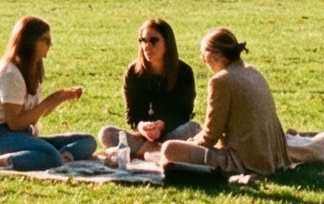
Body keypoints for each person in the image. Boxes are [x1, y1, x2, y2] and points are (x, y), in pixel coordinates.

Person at [0, 16, 97, 171]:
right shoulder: (11, 74)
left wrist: (60, 97)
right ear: (29, 41)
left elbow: (35, 114)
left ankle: (59, 158)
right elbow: (15, 123)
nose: (50, 45)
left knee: (88, 141)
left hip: (23, 136)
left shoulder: (32, 68)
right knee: (51, 157)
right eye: (46, 40)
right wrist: (48, 102)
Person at [162, 28, 291, 178]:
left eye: (203, 55)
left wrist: (191, 144)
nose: (201, 59)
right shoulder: (252, 71)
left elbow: (210, 137)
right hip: (273, 156)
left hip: (246, 162)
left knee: (169, 149)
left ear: (214, 55)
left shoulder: (221, 81)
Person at [103, 18, 199, 155]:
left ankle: (144, 152)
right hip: (143, 135)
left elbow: (184, 114)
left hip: (172, 133)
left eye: (153, 41)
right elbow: (132, 115)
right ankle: (158, 151)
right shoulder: (133, 72)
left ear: (167, 43)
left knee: (193, 128)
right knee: (106, 133)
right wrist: (142, 127)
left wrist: (162, 126)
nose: (147, 47)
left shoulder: (183, 72)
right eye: (143, 41)